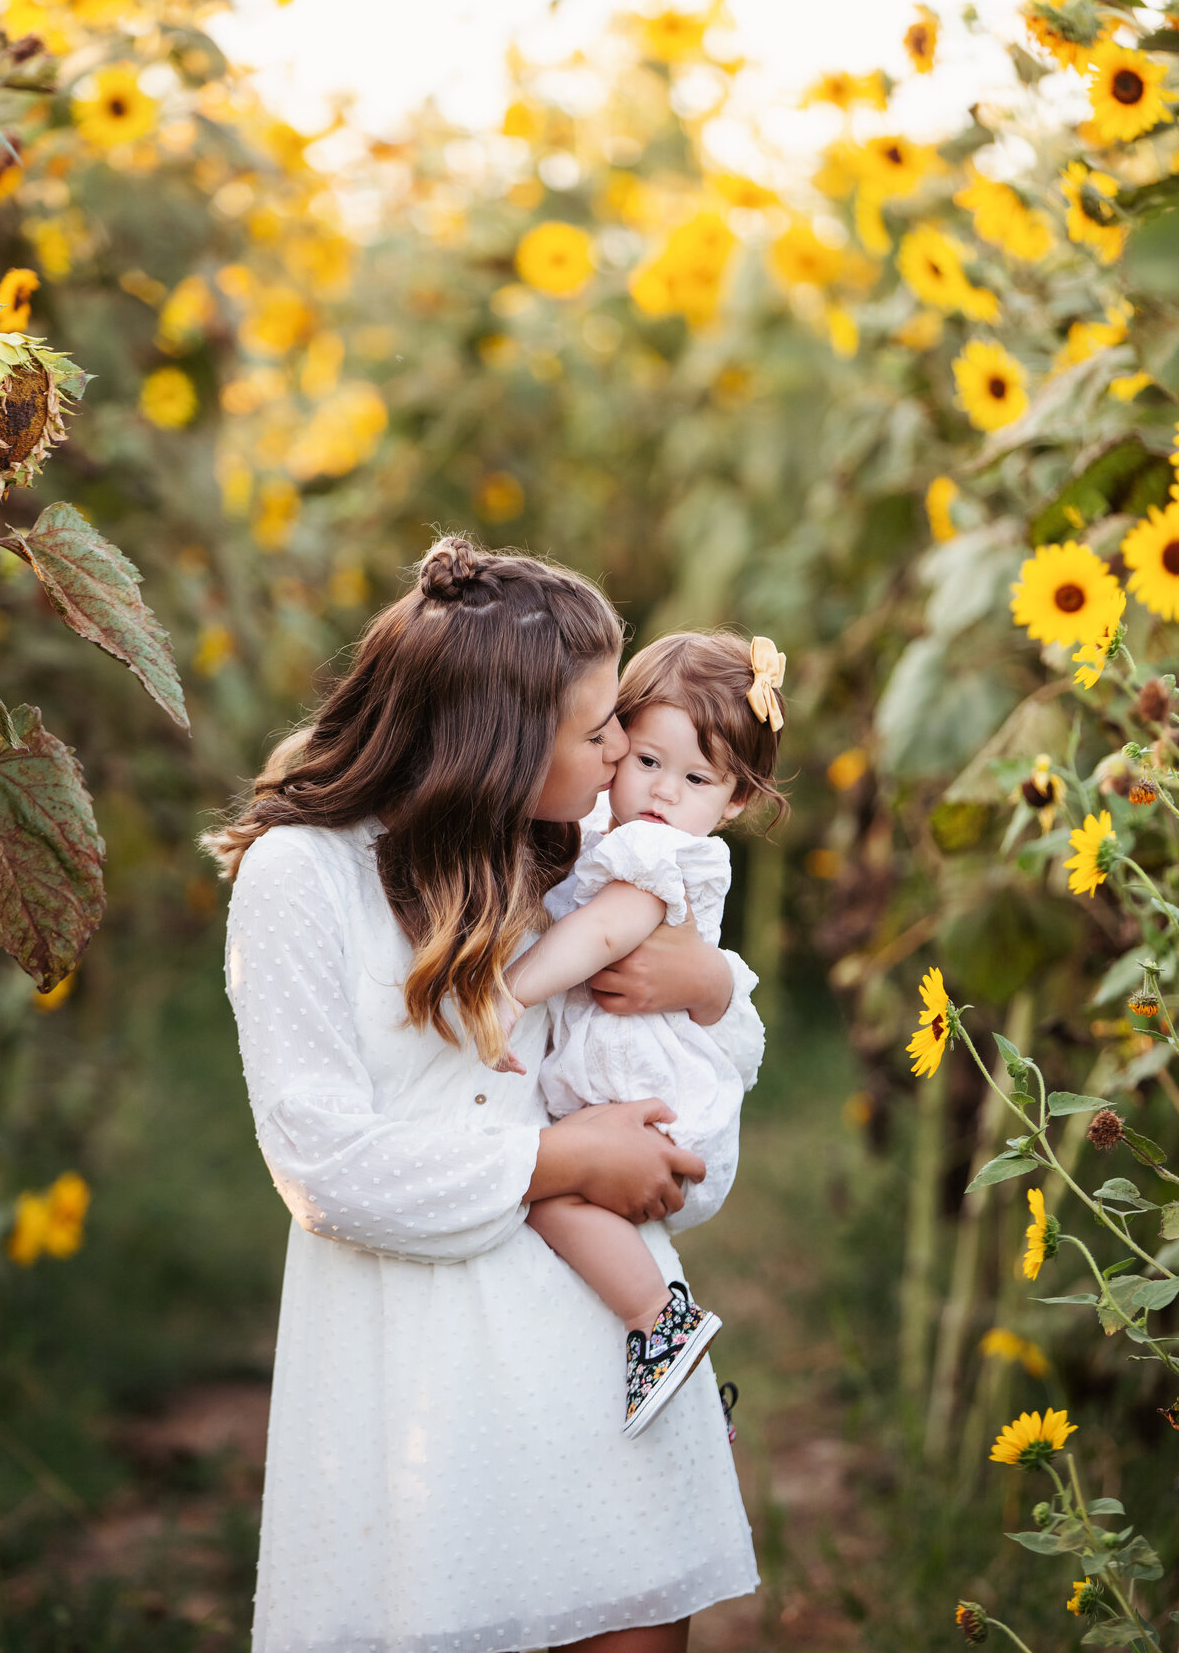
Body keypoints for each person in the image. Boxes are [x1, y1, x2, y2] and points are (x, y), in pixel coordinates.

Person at [203, 534, 766, 1653]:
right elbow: (323, 1164)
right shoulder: (301, 878)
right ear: (503, 739)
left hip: (593, 1329)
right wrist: (559, 1163)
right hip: (414, 1363)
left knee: (635, 1622)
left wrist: (713, 989)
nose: (622, 756)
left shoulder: (561, 857)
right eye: (598, 727)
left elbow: (672, 1089)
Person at [490, 631, 787, 1438]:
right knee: (562, 1254)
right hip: (631, 1093)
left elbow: (600, 938)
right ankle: (679, 1393)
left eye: (695, 779)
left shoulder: (662, 853)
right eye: (648, 761)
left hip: (656, 1109)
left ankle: (665, 1325)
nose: (661, 791)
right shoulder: (610, 831)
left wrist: (508, 993)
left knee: (542, 1205)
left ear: (734, 802)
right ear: (617, 738)